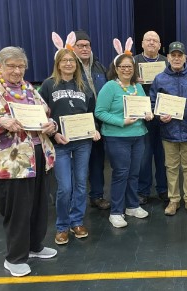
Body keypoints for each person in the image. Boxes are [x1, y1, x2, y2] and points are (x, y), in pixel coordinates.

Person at [0, 46, 57, 276]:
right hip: (12, 163)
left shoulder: (29, 89)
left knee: (39, 205)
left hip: (38, 156)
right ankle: (15, 258)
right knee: (18, 211)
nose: (17, 71)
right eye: (12, 66)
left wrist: (52, 125)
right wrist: (1, 121)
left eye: (21, 66)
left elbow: (46, 116)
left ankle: (35, 247)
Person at [40, 35, 100, 245]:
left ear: (76, 65)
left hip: (83, 142)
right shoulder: (48, 86)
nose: (68, 64)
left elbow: (92, 113)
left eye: (72, 61)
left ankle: (77, 221)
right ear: (58, 64)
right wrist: (53, 133)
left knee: (81, 184)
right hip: (60, 143)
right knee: (65, 187)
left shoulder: (83, 87)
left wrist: (94, 130)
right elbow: (42, 116)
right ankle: (62, 226)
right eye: (64, 61)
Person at [95, 38, 151, 228]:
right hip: (117, 137)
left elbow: (143, 108)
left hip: (138, 136)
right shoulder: (110, 87)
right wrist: (121, 122)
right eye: (123, 66)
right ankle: (116, 211)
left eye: (130, 66)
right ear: (116, 68)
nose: (127, 69)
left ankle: (132, 206)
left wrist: (148, 114)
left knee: (134, 173)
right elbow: (99, 112)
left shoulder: (138, 87)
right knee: (121, 173)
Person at [150, 41, 187, 217]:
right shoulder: (160, 79)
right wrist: (159, 116)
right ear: (169, 58)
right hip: (168, 131)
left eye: (180, 55)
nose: (177, 58)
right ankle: (174, 200)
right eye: (173, 55)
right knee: (171, 167)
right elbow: (152, 103)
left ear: (185, 57)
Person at [73, 30, 110, 210]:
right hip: (79, 122)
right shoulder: (69, 66)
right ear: (73, 48)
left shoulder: (99, 67)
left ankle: (97, 195)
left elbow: (112, 85)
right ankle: (75, 199)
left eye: (87, 45)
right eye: (80, 46)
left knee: (97, 160)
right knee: (78, 163)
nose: (85, 49)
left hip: (100, 121)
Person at [134, 31, 168, 205]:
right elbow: (121, 83)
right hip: (142, 116)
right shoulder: (133, 62)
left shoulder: (166, 62)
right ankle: (143, 190)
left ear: (160, 44)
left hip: (162, 115)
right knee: (144, 157)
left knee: (163, 156)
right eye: (148, 40)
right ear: (142, 43)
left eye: (155, 40)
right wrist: (134, 81)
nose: (152, 43)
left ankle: (163, 189)